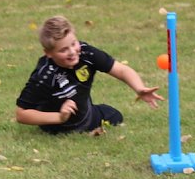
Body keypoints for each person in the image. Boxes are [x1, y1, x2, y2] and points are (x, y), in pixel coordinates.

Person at [15, 16, 163, 135]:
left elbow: (121, 70)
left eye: (74, 43)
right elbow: (21, 114)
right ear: (48, 53)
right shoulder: (44, 75)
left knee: (115, 115)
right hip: (56, 128)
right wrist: (59, 117)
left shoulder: (87, 54)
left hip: (88, 117)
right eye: (63, 50)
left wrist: (139, 88)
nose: (72, 52)